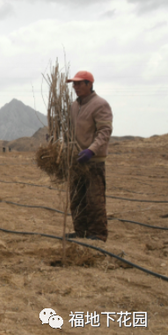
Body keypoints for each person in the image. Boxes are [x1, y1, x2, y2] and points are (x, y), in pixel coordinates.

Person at [66, 70, 113, 242]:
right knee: (77, 198)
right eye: (74, 84)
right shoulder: (74, 106)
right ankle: (81, 231)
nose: (75, 87)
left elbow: (104, 131)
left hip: (93, 161)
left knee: (94, 199)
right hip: (78, 161)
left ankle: (98, 234)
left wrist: (91, 150)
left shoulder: (100, 104)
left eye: (79, 83)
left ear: (89, 84)